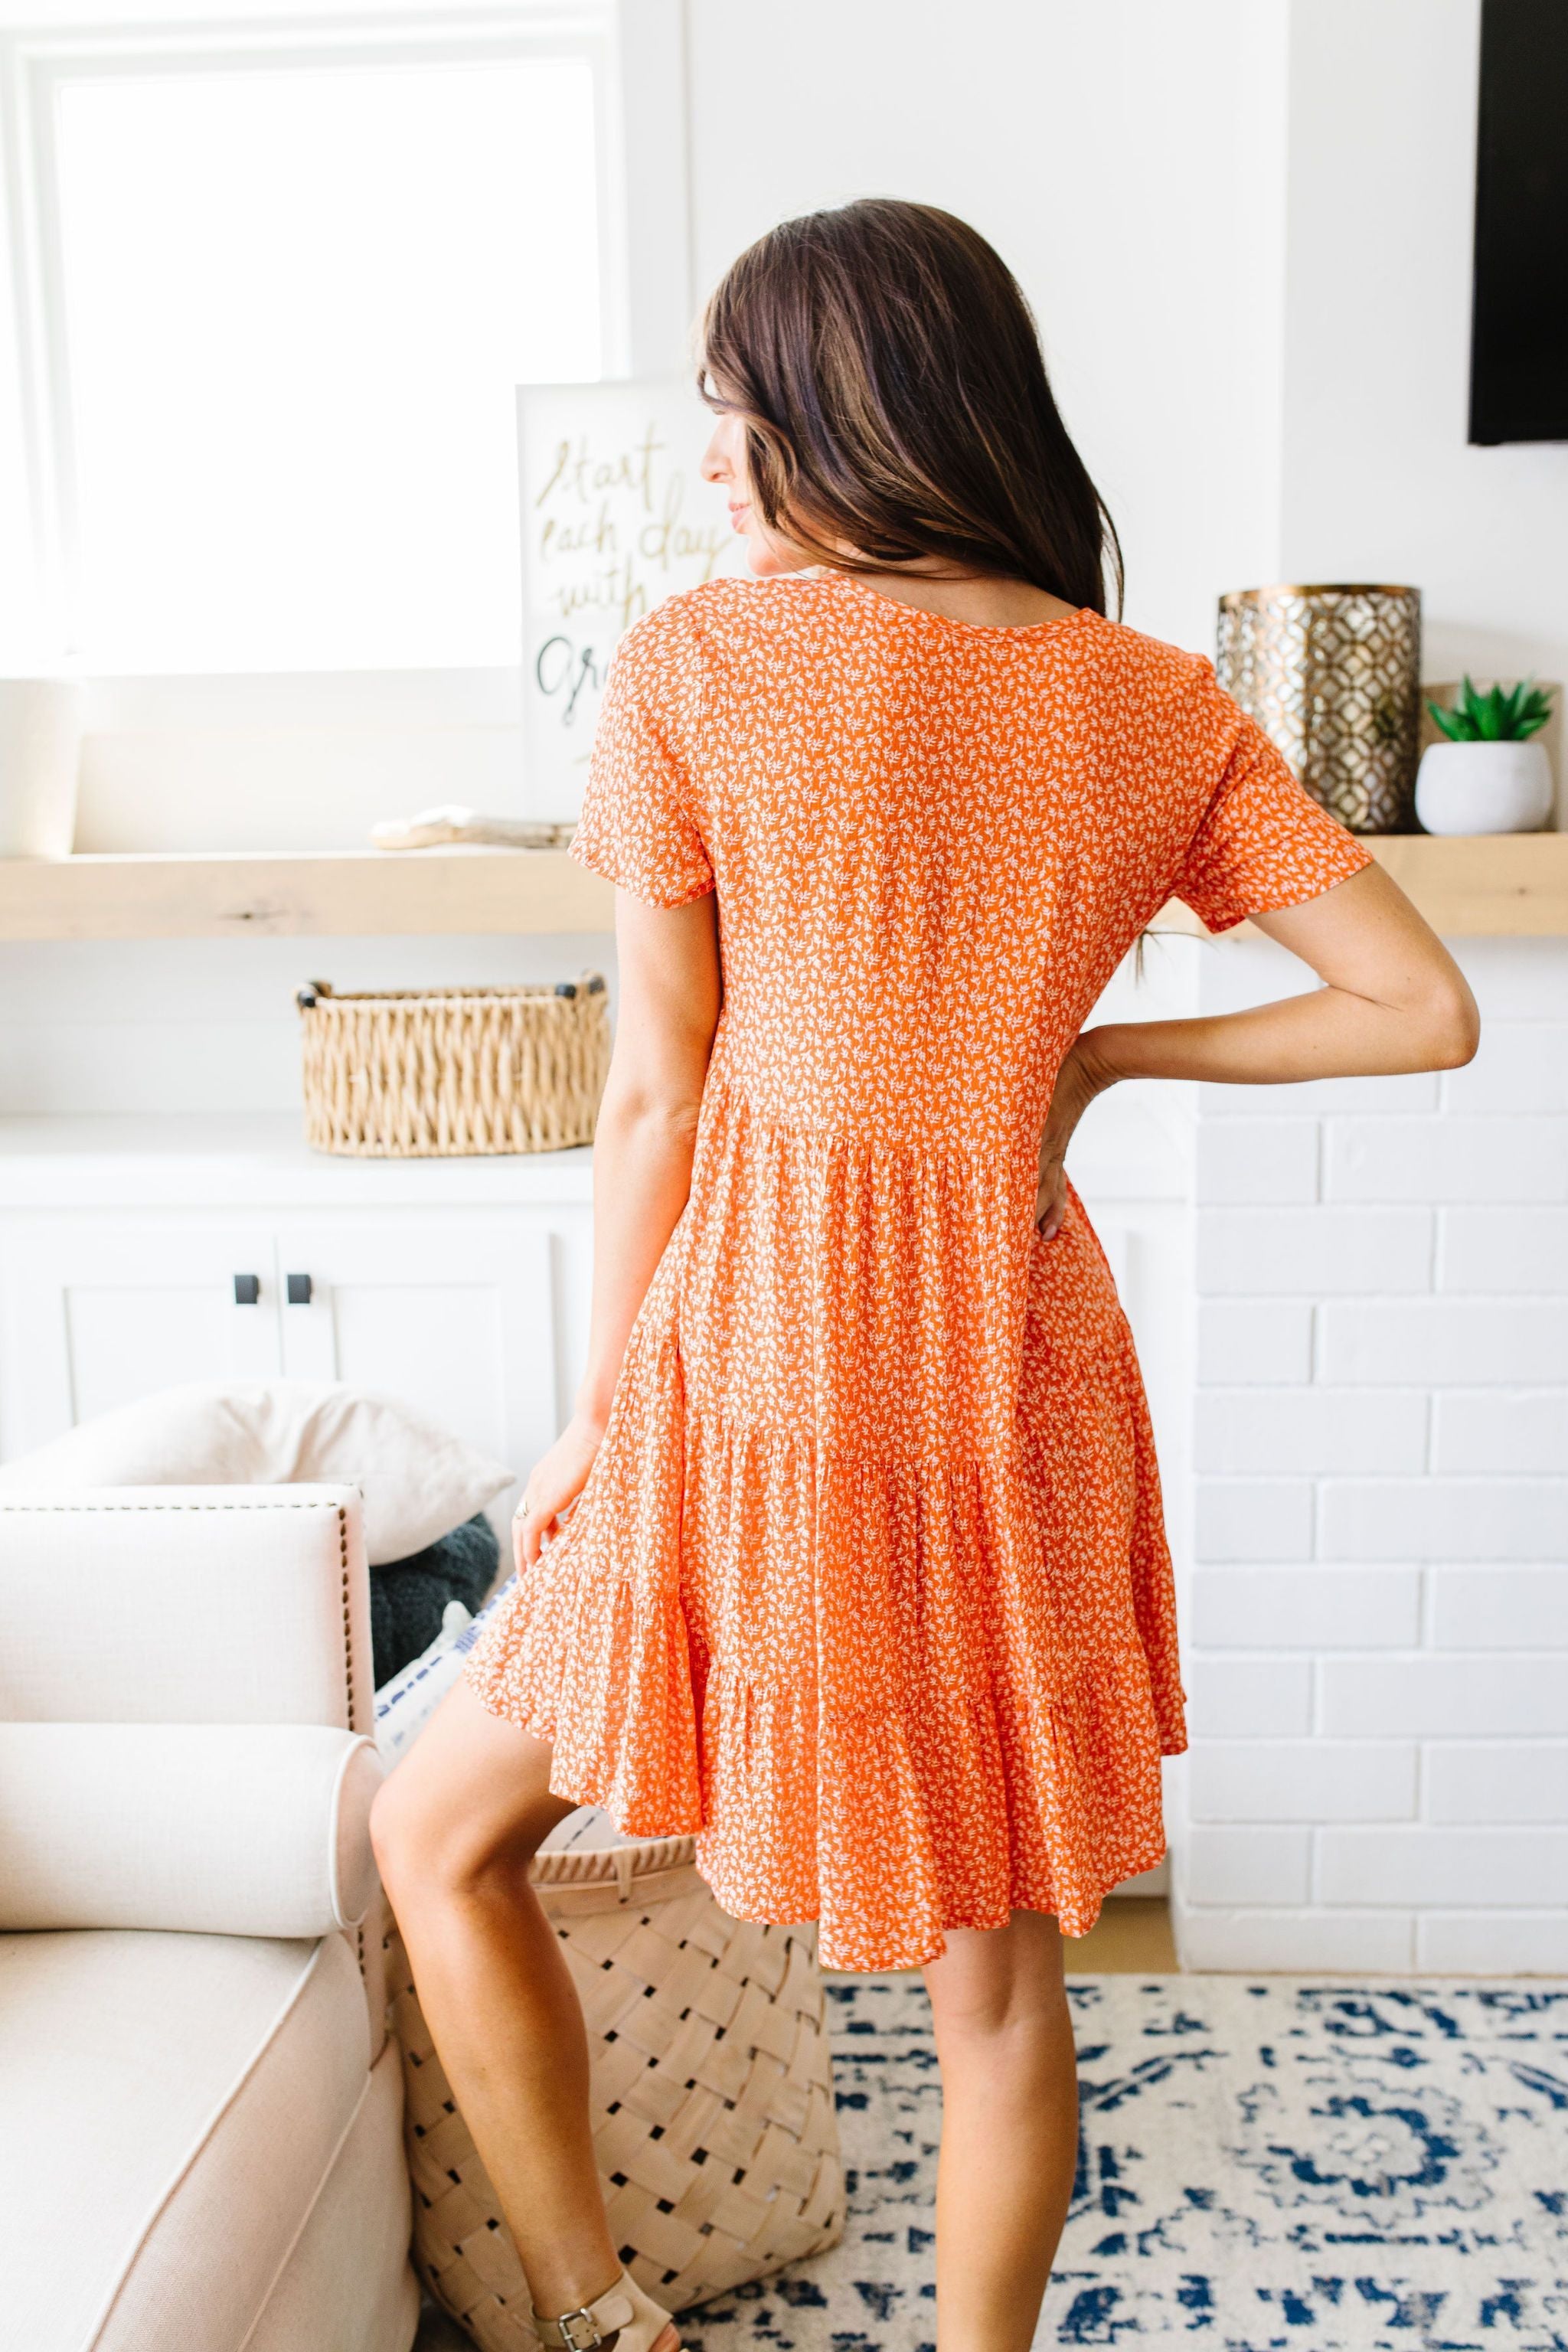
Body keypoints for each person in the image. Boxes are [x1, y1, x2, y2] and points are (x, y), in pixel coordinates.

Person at [371, 199, 1478, 2352]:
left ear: (839, 401)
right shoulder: (1155, 703)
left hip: (757, 1359)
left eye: (729, 412)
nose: (715, 463)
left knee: (436, 1838)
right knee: (999, 1986)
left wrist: (599, 1410)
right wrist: (1103, 1051)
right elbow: (1420, 1009)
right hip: (1003, 1374)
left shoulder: (696, 661)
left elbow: (654, 1095)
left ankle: (602, 2320)